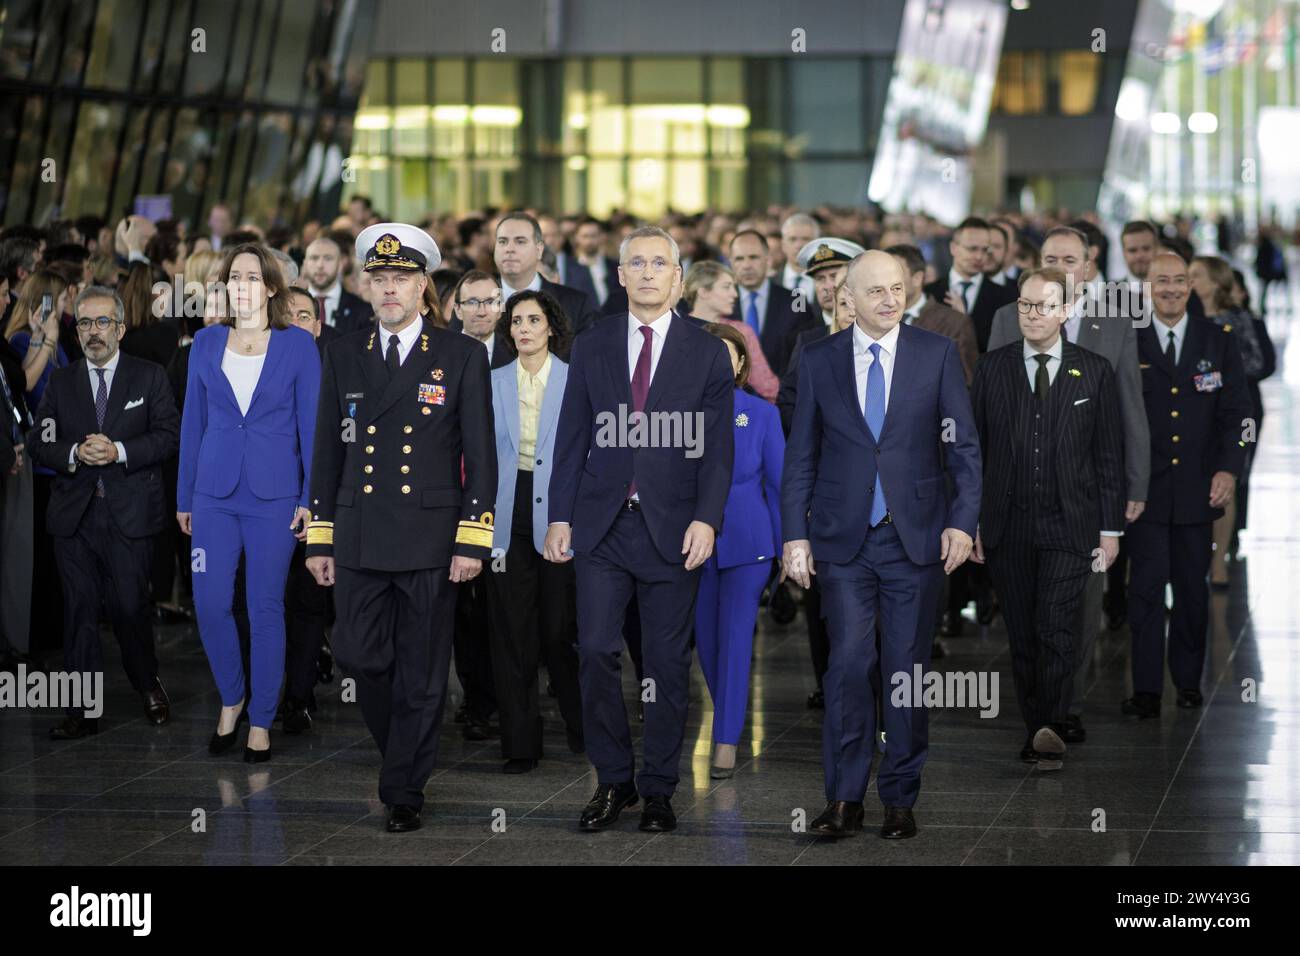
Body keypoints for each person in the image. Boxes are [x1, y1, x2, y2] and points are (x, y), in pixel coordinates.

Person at [781, 250, 980, 839]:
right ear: (849, 297)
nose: (890, 300)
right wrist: (795, 533)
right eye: (877, 292)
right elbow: (800, 458)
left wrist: (962, 523)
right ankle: (843, 799)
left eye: (898, 289)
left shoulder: (935, 354)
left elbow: (964, 448)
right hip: (841, 542)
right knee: (846, 666)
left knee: (906, 671)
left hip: (914, 539)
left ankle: (899, 795)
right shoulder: (817, 359)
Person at [306, 223, 497, 833]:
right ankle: (406, 756)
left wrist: (473, 538)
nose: (390, 290)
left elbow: (482, 458)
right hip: (360, 533)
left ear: (423, 288)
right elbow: (326, 452)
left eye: (402, 280)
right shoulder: (341, 352)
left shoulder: (459, 354)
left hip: (430, 537)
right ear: (366, 287)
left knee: (421, 668)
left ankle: (405, 786)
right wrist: (320, 536)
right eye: (380, 279)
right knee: (360, 656)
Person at [545, 225, 734, 834]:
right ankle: (613, 780)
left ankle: (657, 788)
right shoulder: (593, 345)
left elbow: (718, 451)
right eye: (637, 263)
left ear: (678, 279)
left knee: (665, 666)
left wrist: (707, 518)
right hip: (601, 528)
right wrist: (558, 515)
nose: (649, 272)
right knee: (596, 650)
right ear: (620, 275)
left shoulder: (705, 350)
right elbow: (570, 436)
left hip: (673, 530)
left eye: (661, 263)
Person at [987, 225, 1150, 739]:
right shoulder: (1004, 322)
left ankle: (1063, 710)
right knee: (1029, 617)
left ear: (1089, 265)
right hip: (1016, 503)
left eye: (1070, 259)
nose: (1061, 265)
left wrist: (1131, 490)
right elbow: (987, 421)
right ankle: (1045, 710)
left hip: (1082, 502)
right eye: (1050, 257)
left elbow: (1128, 416)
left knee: (1077, 608)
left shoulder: (1113, 325)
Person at [970, 269, 1125, 770]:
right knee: (1022, 633)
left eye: (1043, 306)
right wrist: (969, 520)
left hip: (1070, 525)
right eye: (1025, 305)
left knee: (1056, 626)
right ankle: (1034, 722)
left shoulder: (1094, 370)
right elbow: (975, 451)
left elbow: (1107, 455)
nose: (1032, 315)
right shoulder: (993, 368)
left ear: (1066, 310)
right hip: (1006, 525)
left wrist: (1110, 530)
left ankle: (1052, 726)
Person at [177, 244, 320, 763]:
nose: (241, 285)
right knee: (211, 604)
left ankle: (260, 719)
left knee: (264, 607)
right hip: (212, 494)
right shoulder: (206, 342)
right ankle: (231, 697)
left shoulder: (298, 347)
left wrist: (310, 499)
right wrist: (184, 494)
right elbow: (193, 423)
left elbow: (312, 430)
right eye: (233, 277)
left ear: (271, 287)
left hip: (275, 496)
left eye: (252, 277)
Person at [27, 286, 180, 737]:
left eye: (103, 323)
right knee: (79, 610)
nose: (94, 332)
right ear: (76, 332)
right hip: (74, 516)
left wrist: (119, 451)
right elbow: (39, 441)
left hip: (129, 512)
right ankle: (81, 708)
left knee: (130, 607)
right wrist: (74, 451)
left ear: (121, 328)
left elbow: (169, 436)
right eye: (85, 324)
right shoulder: (61, 381)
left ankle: (146, 682)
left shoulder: (149, 377)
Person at [1123, 252, 1251, 718]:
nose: (1172, 289)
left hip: (1199, 489)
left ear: (1191, 286)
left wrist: (1228, 469)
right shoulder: (1128, 341)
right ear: (1148, 288)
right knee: (1146, 593)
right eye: (1163, 281)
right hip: (1145, 494)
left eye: (1180, 281)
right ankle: (1147, 689)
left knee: (1194, 594)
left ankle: (1188, 681)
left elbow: (1237, 414)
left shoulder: (1217, 340)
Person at [483, 289, 584, 772]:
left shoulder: (574, 379)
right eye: (516, 321)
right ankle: (520, 741)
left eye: (533, 320)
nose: (523, 328)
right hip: (506, 512)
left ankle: (582, 724)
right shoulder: (492, 380)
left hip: (560, 508)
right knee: (511, 628)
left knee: (559, 628)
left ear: (551, 327)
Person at [694, 322, 783, 778]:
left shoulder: (761, 414)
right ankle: (729, 711)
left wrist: (788, 547)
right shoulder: (676, 412)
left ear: (741, 364)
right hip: (691, 545)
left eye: (726, 353)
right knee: (707, 644)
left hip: (749, 545)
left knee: (734, 640)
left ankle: (726, 739)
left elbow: (777, 483)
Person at [1188, 255, 1266, 588]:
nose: (1189, 282)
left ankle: (1219, 562)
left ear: (1216, 282)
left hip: (1233, 412)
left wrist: (1207, 380)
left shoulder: (1235, 319)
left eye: (1196, 275)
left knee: (1227, 481)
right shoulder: (1186, 318)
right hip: (1193, 415)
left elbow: (1253, 363)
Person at [682, 261, 779, 401]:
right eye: (726, 287)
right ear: (703, 291)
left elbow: (766, 386)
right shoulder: (676, 329)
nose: (735, 294)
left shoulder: (741, 331)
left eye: (734, 287)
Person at [886, 243, 978, 384]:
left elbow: (967, 383)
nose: (885, 281)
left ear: (917, 278)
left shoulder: (954, 324)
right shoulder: (874, 319)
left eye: (893, 274)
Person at [922, 217, 1016, 353]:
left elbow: (1002, 350)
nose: (979, 256)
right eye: (972, 249)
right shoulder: (928, 293)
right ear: (953, 248)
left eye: (984, 250)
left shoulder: (1006, 297)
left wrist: (965, 322)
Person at [494, 212, 598, 335]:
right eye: (502, 241)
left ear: (539, 250)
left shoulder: (574, 304)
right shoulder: (477, 301)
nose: (509, 249)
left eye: (520, 241)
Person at [726, 229, 812, 376]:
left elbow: (804, 355)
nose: (746, 265)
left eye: (753, 257)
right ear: (731, 263)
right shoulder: (719, 302)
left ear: (768, 260)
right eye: (739, 259)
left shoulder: (796, 300)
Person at [302, 234, 373, 333]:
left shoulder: (363, 311)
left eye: (328, 258)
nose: (320, 265)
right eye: (314, 258)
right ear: (305, 264)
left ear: (340, 265)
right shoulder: (289, 307)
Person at [778, 212, 820, 307]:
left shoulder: (829, 284)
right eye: (793, 239)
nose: (799, 245)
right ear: (783, 245)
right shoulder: (770, 282)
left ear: (816, 244)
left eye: (806, 239)